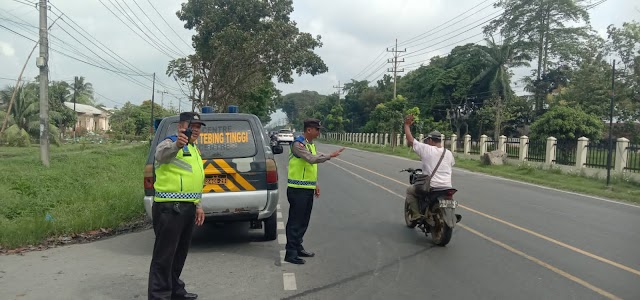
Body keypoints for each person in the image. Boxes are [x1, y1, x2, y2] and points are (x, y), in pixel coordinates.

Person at [148, 112, 206, 300]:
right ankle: (159, 296)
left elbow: (194, 178)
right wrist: (176, 145)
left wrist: (198, 205)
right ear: (182, 126)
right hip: (169, 208)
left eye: (198, 127)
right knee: (164, 256)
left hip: (187, 207)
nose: (196, 130)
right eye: (193, 126)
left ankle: (175, 290)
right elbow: (160, 155)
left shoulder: (194, 148)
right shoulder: (169, 142)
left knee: (179, 254)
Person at [284, 118, 345, 264]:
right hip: (297, 189)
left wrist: (315, 184)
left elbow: (310, 168)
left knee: (304, 221)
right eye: (317, 129)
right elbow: (311, 160)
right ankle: (290, 252)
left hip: (307, 188)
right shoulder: (298, 144)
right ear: (309, 130)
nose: (319, 132)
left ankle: (298, 247)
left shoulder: (310, 144)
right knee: (295, 222)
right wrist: (330, 155)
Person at [403, 114, 455, 223]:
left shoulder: (427, 149)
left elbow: (410, 140)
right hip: (447, 187)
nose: (427, 142)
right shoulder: (449, 153)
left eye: (428, 140)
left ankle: (416, 214)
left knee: (410, 191)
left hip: (432, 187)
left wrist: (407, 125)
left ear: (431, 140)